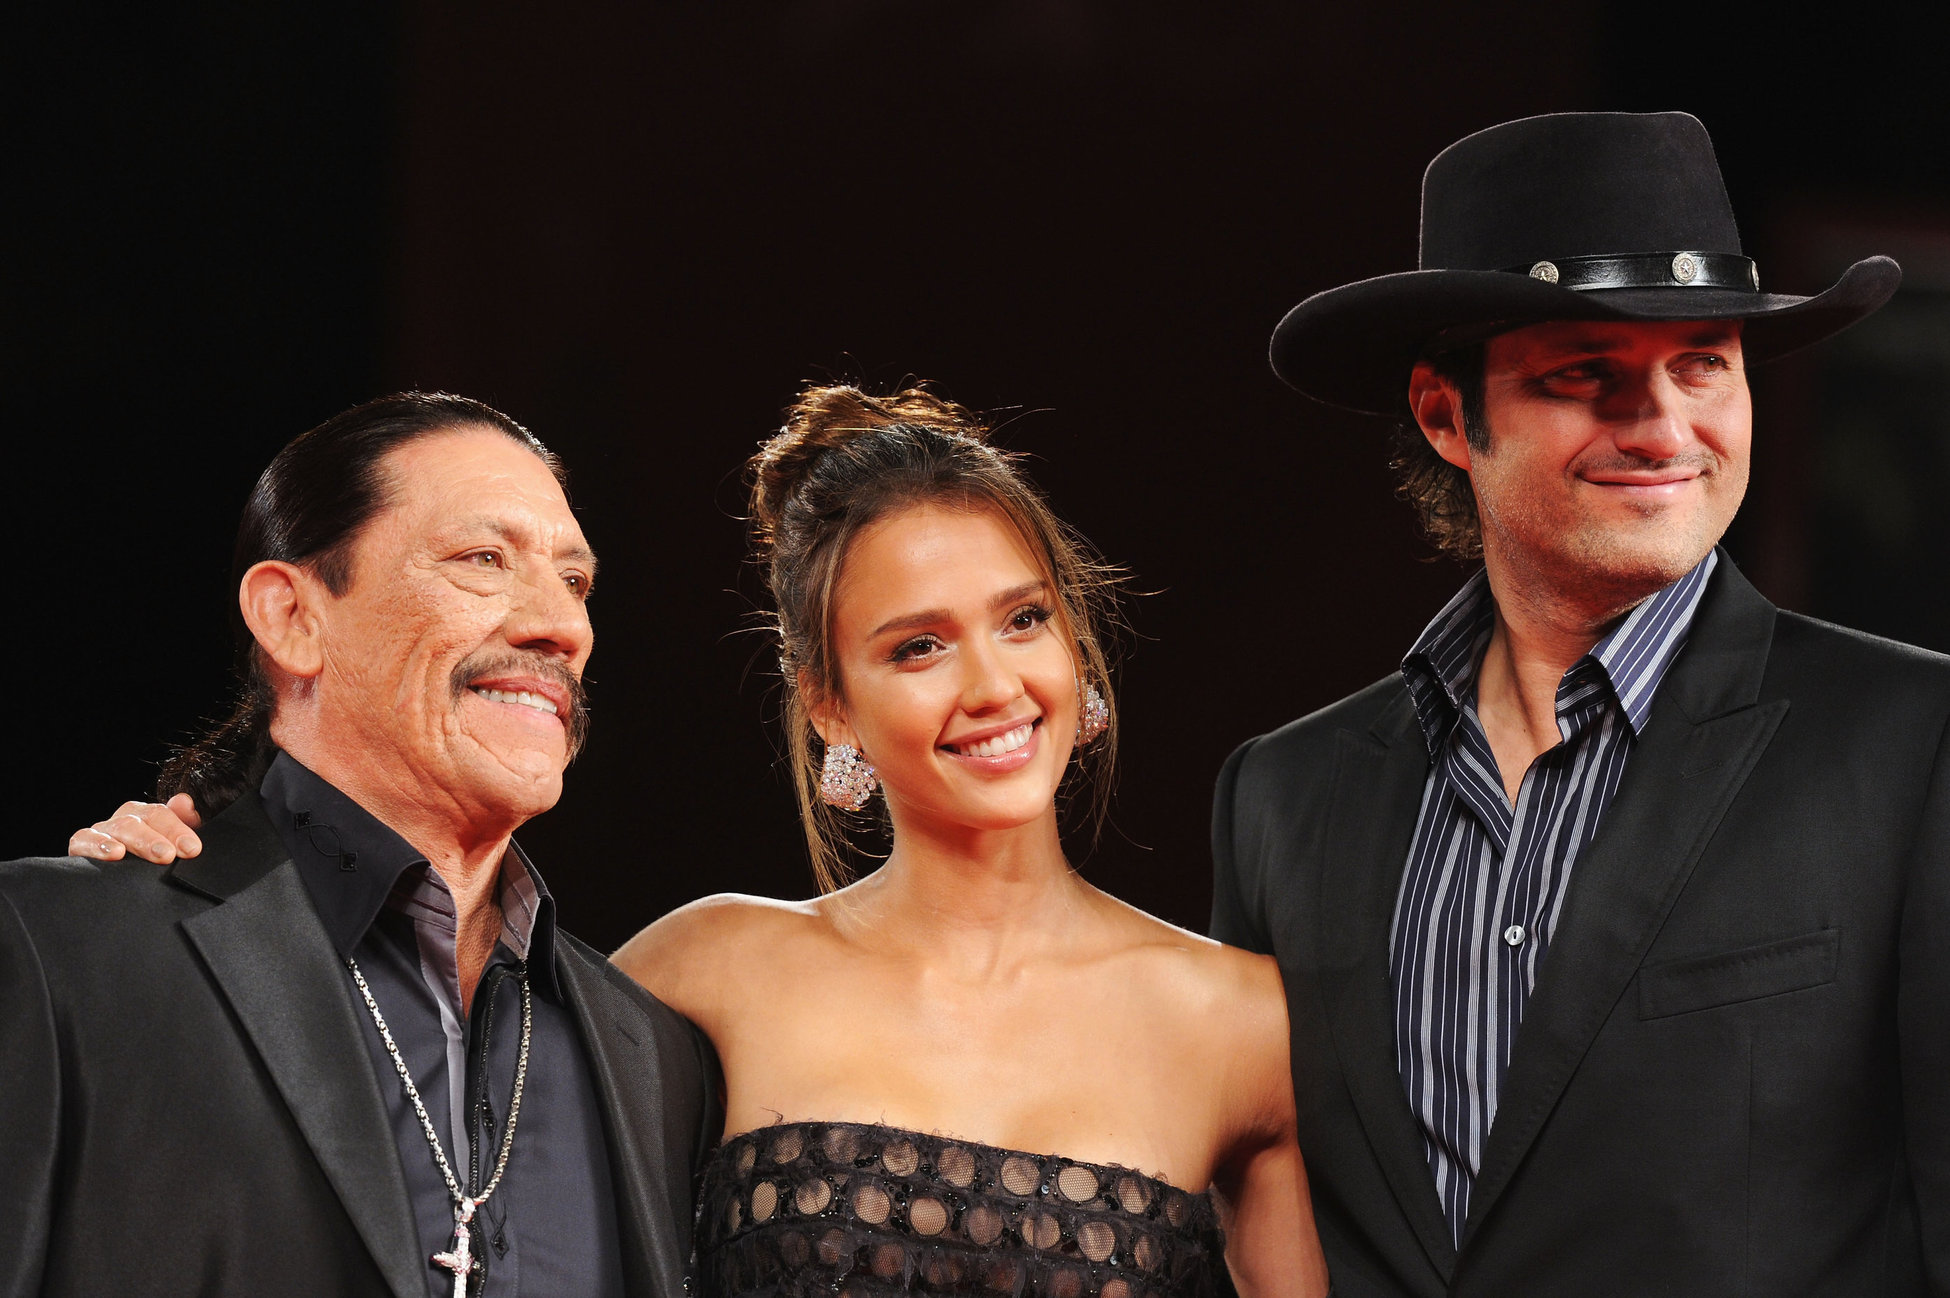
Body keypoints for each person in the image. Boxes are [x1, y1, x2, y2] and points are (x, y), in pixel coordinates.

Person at [1211, 110, 1950, 1295]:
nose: (1663, 426)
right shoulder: (1282, 796)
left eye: (1703, 361)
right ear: (1449, 415)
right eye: (1584, 374)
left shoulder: (1916, 745)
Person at [613, 384, 1328, 1296]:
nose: (994, 685)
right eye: (920, 646)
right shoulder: (706, 970)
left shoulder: (1238, 1021)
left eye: (1023, 619)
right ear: (829, 706)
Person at [10, 393, 718, 1298]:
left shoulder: (656, 1058)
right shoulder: (62, 953)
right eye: (484, 559)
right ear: (293, 618)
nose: (563, 626)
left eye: (576, 582)